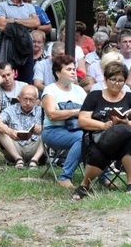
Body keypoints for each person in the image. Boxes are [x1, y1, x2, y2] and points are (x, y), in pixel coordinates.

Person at [72, 62, 131, 199]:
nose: (117, 84)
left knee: (128, 136)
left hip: (123, 142)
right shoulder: (94, 96)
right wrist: (104, 126)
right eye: (113, 80)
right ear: (105, 80)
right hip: (100, 137)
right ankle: (85, 184)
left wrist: (126, 122)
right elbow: (83, 120)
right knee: (102, 147)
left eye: (120, 80)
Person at [41, 55, 87, 189]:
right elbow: (52, 115)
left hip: (77, 129)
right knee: (83, 138)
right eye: (69, 69)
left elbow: (89, 111)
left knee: (93, 136)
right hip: (53, 131)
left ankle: (104, 176)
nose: (73, 72)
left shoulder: (79, 90)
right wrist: (77, 112)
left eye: (74, 69)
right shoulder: (50, 90)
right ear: (58, 73)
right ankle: (64, 177)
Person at [0, 0, 41, 84]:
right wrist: (26, 22)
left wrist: (14, 20)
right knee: (5, 76)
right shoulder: (2, 6)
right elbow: (1, 26)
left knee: (27, 79)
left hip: (26, 45)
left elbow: (36, 23)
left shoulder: (29, 7)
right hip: (8, 44)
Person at [0, 85, 44, 169]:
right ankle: (18, 159)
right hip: (15, 147)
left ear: (37, 100)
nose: (28, 103)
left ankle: (35, 160)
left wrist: (42, 127)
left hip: (35, 147)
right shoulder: (11, 109)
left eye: (31, 100)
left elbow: (54, 125)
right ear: (19, 98)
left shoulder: (41, 111)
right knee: (2, 129)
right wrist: (9, 131)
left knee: (49, 131)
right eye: (25, 99)